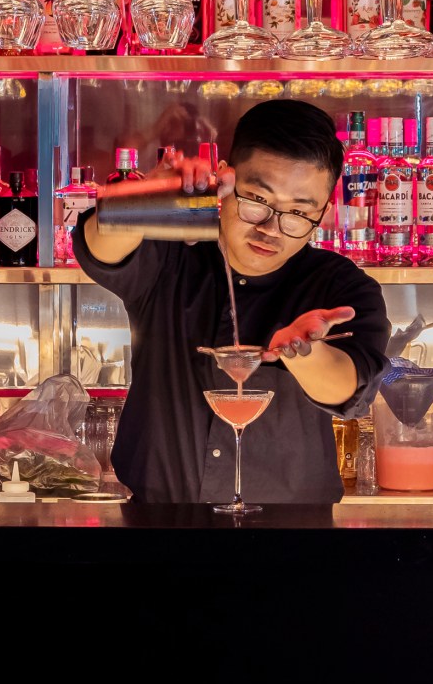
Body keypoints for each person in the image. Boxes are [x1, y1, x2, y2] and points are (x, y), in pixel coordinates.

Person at [74, 99, 389, 504]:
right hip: (159, 528)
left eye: (298, 213)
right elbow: (100, 246)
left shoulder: (342, 286)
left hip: (295, 538)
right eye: (257, 200)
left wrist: (302, 352)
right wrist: (152, 198)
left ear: (324, 212)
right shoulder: (172, 256)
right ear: (227, 177)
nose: (272, 229)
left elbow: (346, 385)